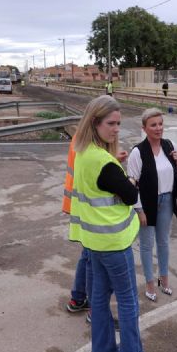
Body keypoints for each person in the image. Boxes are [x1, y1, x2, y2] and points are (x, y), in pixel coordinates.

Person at [68, 95, 151, 352]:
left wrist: (115, 167)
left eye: (119, 123)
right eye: (111, 124)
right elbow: (130, 195)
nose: (116, 129)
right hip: (114, 244)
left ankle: (103, 350)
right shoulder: (104, 162)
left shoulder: (83, 152)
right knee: (128, 303)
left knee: (99, 299)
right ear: (95, 123)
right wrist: (127, 179)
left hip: (93, 242)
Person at [64, 133, 128, 325]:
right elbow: (95, 172)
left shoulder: (80, 137)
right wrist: (112, 163)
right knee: (93, 261)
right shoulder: (90, 142)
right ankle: (94, 309)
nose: (115, 130)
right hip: (91, 212)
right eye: (111, 123)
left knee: (87, 256)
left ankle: (79, 298)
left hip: (80, 206)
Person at [127, 108, 177, 302]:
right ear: (144, 128)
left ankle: (164, 281)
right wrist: (139, 210)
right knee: (146, 244)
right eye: (153, 125)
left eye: (160, 124)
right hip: (147, 202)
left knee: (163, 242)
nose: (158, 128)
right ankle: (150, 283)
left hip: (167, 199)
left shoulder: (169, 144)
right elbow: (132, 182)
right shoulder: (138, 151)